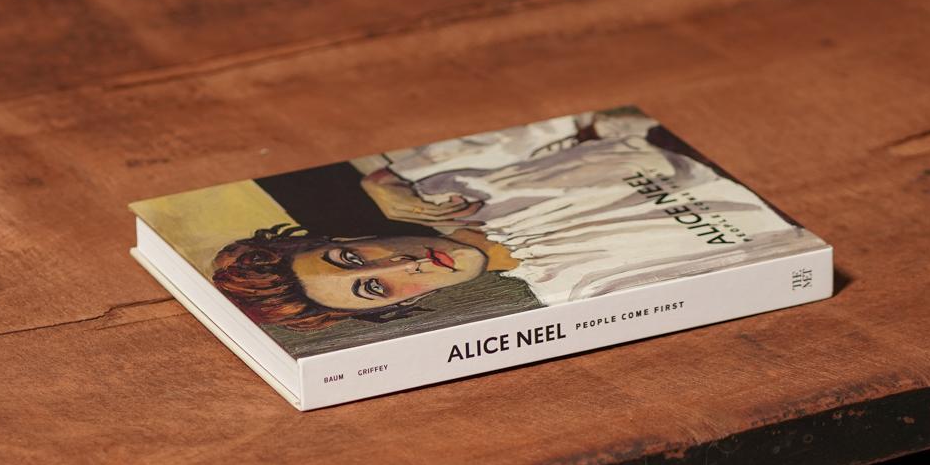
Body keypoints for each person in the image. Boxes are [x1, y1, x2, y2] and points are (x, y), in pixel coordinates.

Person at [211, 109, 814, 333]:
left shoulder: (443, 178)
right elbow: (774, 255)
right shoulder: (584, 293)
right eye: (374, 288)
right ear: (386, 311)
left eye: (353, 259)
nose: (404, 265)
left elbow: (607, 113)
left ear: (346, 237)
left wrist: (385, 177)